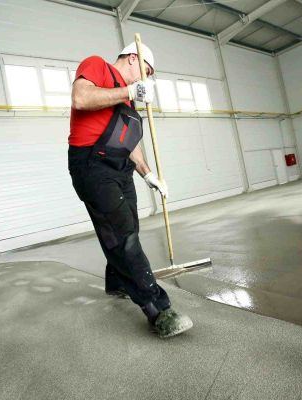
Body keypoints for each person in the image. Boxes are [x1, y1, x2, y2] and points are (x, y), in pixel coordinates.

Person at [67, 42, 193, 338]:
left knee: (128, 229)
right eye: (146, 72)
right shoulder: (98, 66)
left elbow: (130, 141)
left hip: (120, 167)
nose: (145, 79)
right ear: (133, 58)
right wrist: (130, 91)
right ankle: (158, 310)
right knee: (123, 236)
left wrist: (148, 174)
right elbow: (81, 98)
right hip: (92, 165)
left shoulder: (129, 99)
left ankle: (116, 282)